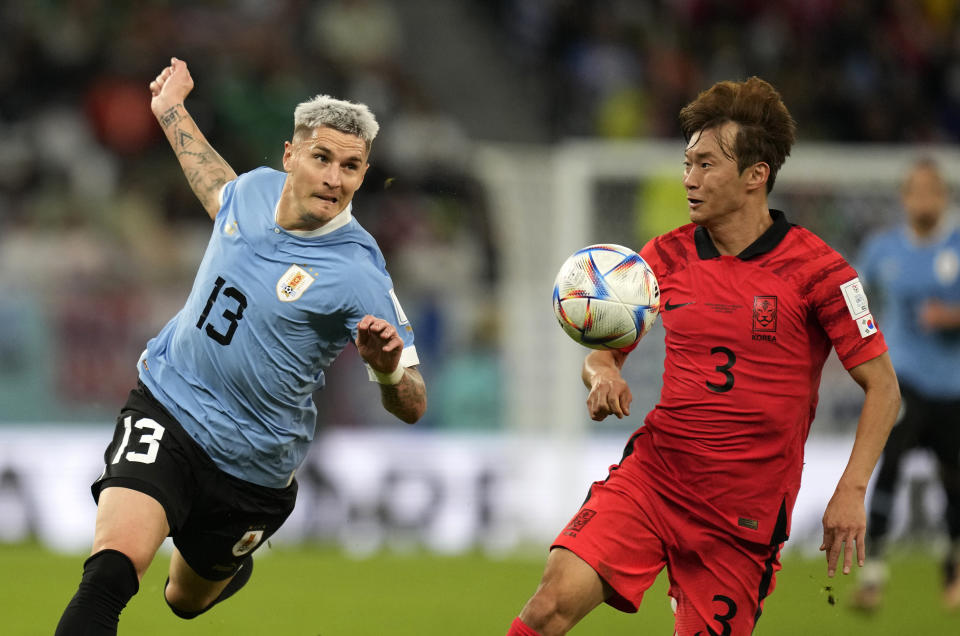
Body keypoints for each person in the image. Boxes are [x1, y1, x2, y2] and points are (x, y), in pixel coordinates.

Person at [505, 77, 901, 636]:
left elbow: (884, 387)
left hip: (744, 518)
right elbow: (604, 352)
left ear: (755, 176)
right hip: (656, 478)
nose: (689, 179)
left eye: (706, 165)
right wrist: (601, 377)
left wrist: (851, 490)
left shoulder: (820, 271)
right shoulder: (662, 256)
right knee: (550, 602)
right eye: (687, 163)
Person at [55, 57, 427, 634]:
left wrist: (384, 371)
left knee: (184, 600)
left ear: (363, 173)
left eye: (350, 167)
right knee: (110, 573)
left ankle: (225, 567)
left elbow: (414, 402)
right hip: (168, 408)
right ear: (289, 156)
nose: (334, 178)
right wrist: (170, 111)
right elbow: (217, 191)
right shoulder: (253, 191)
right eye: (322, 158)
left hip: (253, 467)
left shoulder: (360, 273)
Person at [851, 157, 960, 611]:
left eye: (931, 190)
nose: (923, 198)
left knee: (954, 483)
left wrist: (950, 317)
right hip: (901, 382)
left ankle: (952, 577)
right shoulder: (882, 249)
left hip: (953, 388)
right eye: (915, 190)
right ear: (904, 197)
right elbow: (853, 299)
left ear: (944, 197)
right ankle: (873, 577)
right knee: (889, 467)